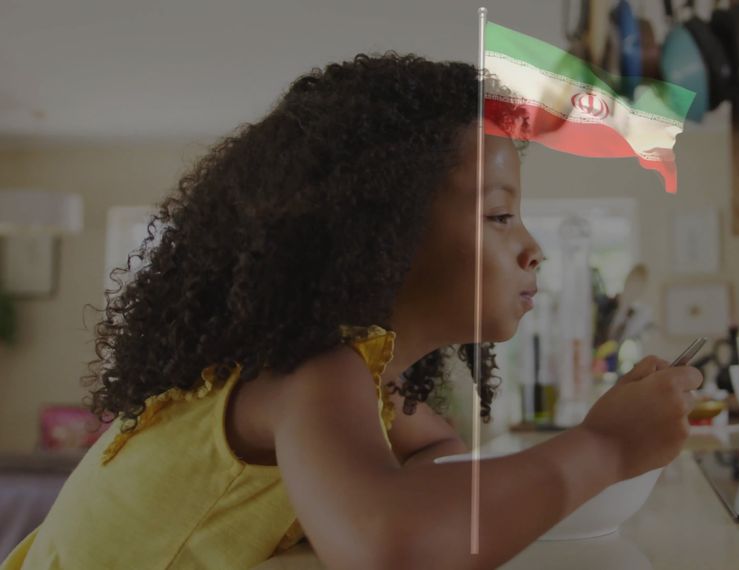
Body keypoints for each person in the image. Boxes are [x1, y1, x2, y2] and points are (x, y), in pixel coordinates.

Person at [1, 53, 701, 570]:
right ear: (381, 235)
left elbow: (430, 450)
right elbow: (389, 548)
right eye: (500, 215)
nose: (533, 248)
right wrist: (604, 447)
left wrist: (392, 495)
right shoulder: (306, 376)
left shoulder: (358, 385)